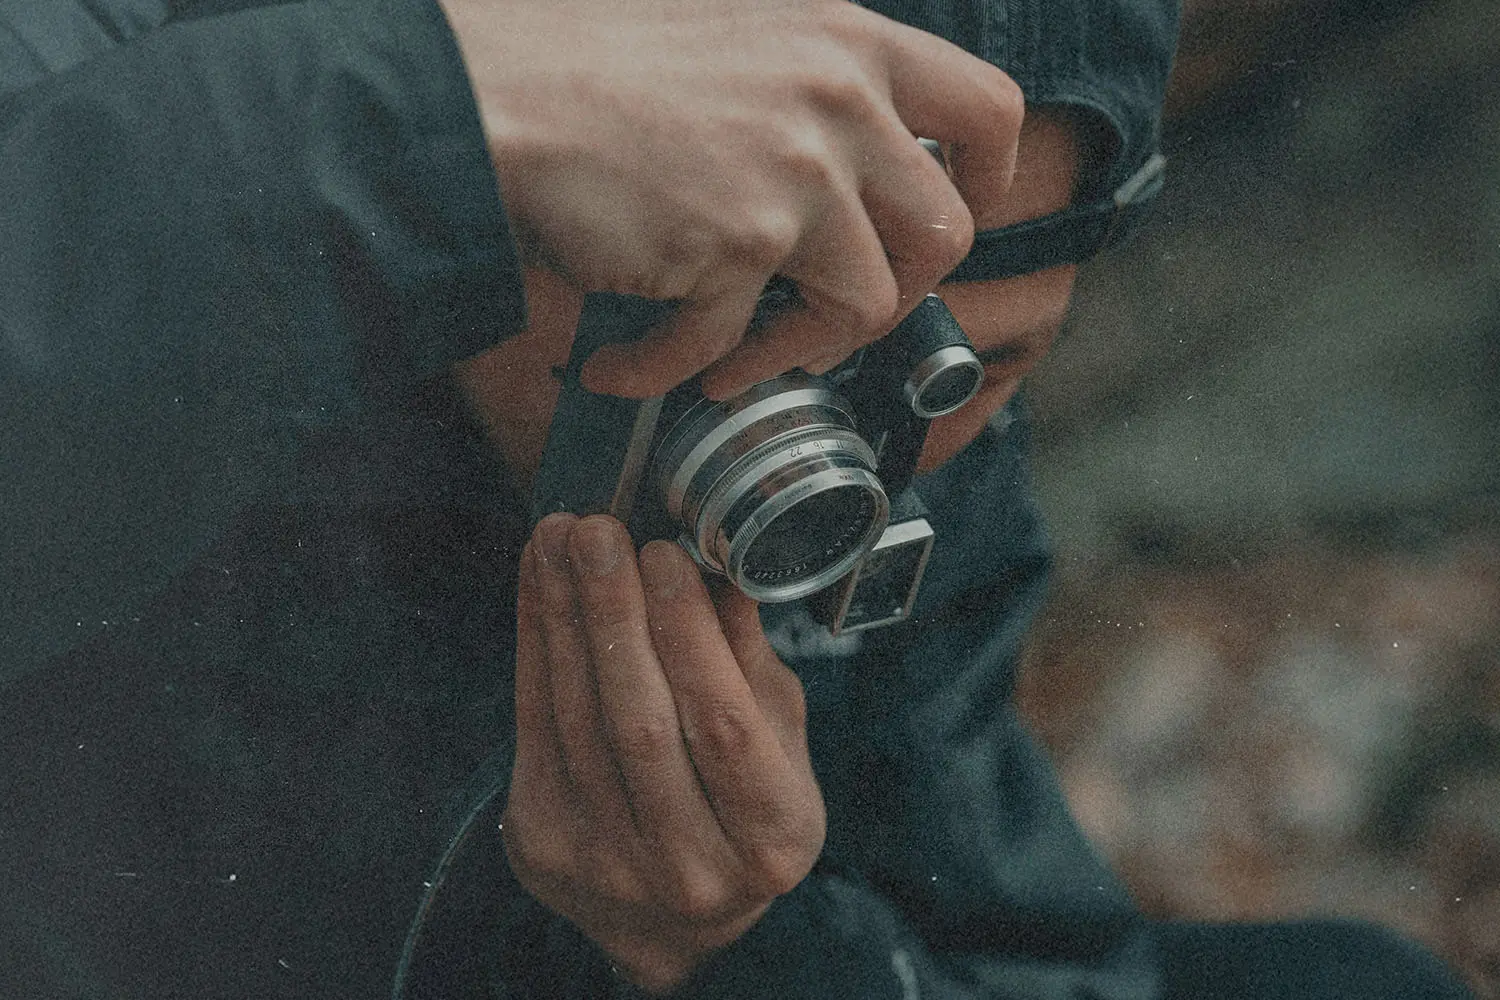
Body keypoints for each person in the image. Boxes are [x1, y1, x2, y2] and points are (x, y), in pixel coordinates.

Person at [0, 0, 1475, 998]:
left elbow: (1023, 952)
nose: (839, 445)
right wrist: (418, 141)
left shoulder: (897, 451)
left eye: (967, 368)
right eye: (751, 314)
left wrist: (734, 953)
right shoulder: (150, 82)